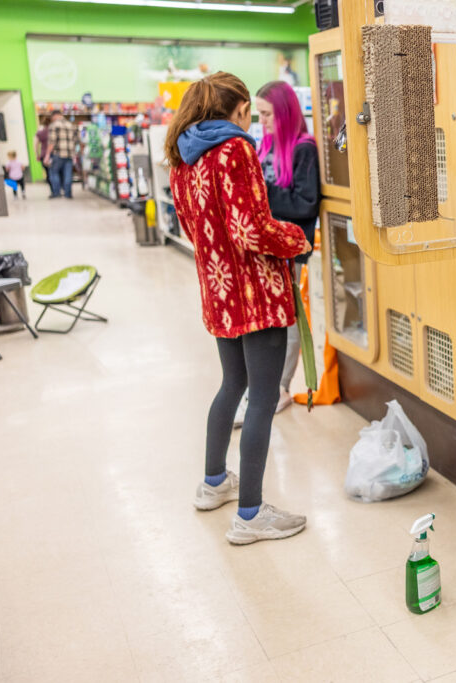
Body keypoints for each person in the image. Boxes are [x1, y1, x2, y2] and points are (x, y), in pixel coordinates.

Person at [165, 71, 312, 545]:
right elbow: (252, 229)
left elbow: (195, 231)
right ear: (241, 108)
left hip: (218, 290)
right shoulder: (236, 149)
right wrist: (295, 238)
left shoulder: (182, 159)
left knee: (232, 384)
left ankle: (213, 484)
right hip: (256, 291)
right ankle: (250, 513)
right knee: (264, 400)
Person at [231, 80, 319, 427]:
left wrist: (263, 192)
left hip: (291, 251)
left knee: (289, 319)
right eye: (259, 114)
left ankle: (280, 387)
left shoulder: (303, 149)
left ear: (283, 113)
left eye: (267, 114)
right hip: (266, 249)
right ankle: (264, 385)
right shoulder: (265, 146)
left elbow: (305, 204)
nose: (262, 120)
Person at [44, 110, 77, 199]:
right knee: (68, 174)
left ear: (54, 116)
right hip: (69, 154)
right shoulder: (70, 125)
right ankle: (68, 193)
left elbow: (52, 142)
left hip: (57, 153)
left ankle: (56, 192)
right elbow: (75, 140)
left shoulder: (54, 125)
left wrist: (47, 155)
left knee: (54, 173)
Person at [34, 115, 50, 185]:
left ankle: (53, 191)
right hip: (56, 154)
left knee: (48, 173)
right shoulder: (55, 131)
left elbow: (35, 145)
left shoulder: (40, 132)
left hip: (44, 154)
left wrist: (37, 155)